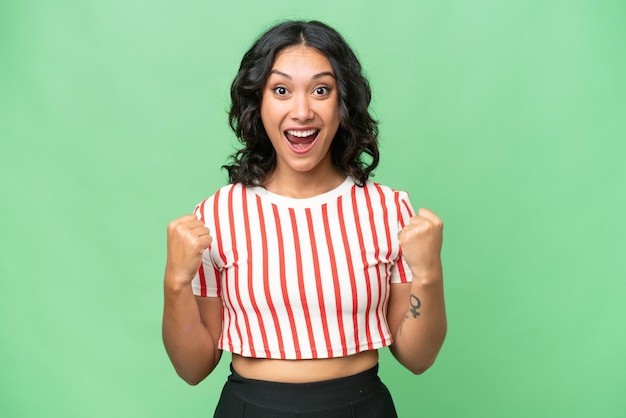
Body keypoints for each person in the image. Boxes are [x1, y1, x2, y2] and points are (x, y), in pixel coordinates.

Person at [162, 20, 447, 417]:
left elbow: (418, 358)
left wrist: (429, 273)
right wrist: (175, 282)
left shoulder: (388, 210)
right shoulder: (217, 216)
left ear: (343, 101)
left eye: (321, 90)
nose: (301, 111)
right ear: (257, 102)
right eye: (281, 90)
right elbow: (192, 368)